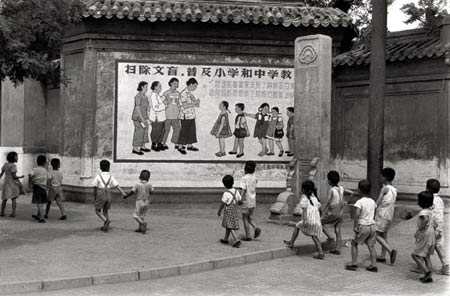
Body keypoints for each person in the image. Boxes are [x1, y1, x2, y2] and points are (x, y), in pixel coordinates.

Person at [284, 180, 324, 259]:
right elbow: (320, 209)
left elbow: (305, 211)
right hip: (316, 221)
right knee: (314, 236)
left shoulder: (304, 198)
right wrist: (320, 218)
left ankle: (291, 243)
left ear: (303, 189)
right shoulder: (315, 198)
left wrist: (305, 220)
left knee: (297, 226)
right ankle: (320, 252)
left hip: (309, 220)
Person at [345, 180, 378, 272]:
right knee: (371, 246)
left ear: (359, 190)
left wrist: (355, 226)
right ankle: (373, 265)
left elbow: (357, 215)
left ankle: (354, 263)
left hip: (363, 226)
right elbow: (374, 212)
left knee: (354, 243)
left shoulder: (360, 202)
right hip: (372, 225)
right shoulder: (372, 201)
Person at [92, 160, 126, 232]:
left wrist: (95, 196)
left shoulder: (98, 176)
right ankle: (106, 226)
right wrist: (123, 193)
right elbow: (117, 186)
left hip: (101, 194)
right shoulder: (111, 177)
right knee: (105, 210)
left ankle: (106, 221)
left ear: (100, 168)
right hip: (109, 194)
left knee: (97, 211)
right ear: (109, 168)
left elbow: (94, 187)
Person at [411, 191, 435, 283]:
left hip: (425, 234)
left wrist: (420, 228)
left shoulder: (423, 212)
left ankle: (426, 272)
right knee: (426, 256)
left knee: (415, 255)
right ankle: (429, 275)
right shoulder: (430, 210)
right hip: (431, 234)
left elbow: (424, 219)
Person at [375, 167, 398, 265]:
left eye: (381, 176)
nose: (380, 177)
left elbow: (378, 201)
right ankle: (382, 255)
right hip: (389, 214)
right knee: (384, 235)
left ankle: (390, 251)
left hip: (382, 214)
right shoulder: (394, 189)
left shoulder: (385, 188)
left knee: (375, 234)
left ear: (385, 177)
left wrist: (372, 208)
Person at [426, 179, 449, 275]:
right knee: (439, 247)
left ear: (427, 188)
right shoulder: (440, 200)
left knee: (425, 247)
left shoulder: (430, 199)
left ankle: (425, 268)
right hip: (440, 226)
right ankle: (446, 266)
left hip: (433, 227)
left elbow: (432, 215)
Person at [321, 170, 345, 255]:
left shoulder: (331, 190)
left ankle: (330, 238)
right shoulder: (341, 188)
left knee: (319, 223)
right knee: (337, 230)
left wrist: (323, 212)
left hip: (333, 212)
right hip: (341, 212)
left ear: (329, 181)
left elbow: (328, 203)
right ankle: (338, 248)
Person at [123, 170, 153, 234]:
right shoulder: (150, 184)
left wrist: (126, 196)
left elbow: (132, 192)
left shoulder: (137, 184)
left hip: (139, 201)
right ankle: (140, 228)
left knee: (135, 215)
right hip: (146, 201)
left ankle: (142, 224)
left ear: (140, 177)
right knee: (142, 216)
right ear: (148, 178)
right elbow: (151, 192)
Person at [217, 175, 242, 248]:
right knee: (229, 225)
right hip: (235, 210)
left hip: (228, 211)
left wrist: (219, 211)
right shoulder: (236, 191)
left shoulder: (226, 193)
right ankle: (225, 239)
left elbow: (223, 203)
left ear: (224, 184)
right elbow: (239, 200)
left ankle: (236, 239)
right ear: (233, 182)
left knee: (229, 226)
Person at [239, 161, 261, 241]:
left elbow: (243, 189)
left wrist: (240, 198)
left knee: (244, 218)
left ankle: (248, 235)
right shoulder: (255, 177)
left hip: (246, 200)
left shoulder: (244, 178)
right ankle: (256, 227)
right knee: (250, 217)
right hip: (253, 200)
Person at [162, 78, 183, 154]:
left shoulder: (178, 93)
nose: (176, 85)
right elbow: (161, 102)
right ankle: (163, 144)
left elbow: (180, 104)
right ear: (170, 83)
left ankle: (176, 143)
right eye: (175, 83)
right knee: (166, 130)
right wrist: (167, 102)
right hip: (167, 115)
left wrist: (178, 104)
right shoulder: (166, 93)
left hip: (176, 115)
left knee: (178, 129)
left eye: (177, 83)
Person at [178, 78, 200, 153]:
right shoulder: (183, 93)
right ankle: (180, 147)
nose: (195, 88)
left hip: (191, 115)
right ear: (190, 84)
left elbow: (197, 105)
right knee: (184, 131)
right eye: (194, 86)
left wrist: (196, 102)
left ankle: (190, 145)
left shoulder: (190, 93)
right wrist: (195, 103)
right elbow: (184, 106)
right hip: (185, 116)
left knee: (191, 131)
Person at [0, 151, 25, 217]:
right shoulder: (13, 166)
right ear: (13, 158)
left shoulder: (5, 165)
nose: (17, 158)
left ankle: (2, 212)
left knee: (4, 199)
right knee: (13, 198)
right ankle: (13, 213)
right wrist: (20, 177)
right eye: (16, 156)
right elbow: (14, 176)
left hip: (6, 184)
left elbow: (1, 174)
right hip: (12, 184)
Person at [131, 81, 151, 155]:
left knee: (145, 131)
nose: (147, 88)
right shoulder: (138, 96)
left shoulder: (145, 96)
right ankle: (135, 148)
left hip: (144, 116)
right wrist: (142, 118)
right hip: (138, 117)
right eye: (146, 87)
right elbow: (137, 108)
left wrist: (147, 118)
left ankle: (143, 146)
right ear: (142, 87)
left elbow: (146, 108)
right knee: (139, 131)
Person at [29, 155, 49, 223]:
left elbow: (30, 175)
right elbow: (48, 178)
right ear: (44, 163)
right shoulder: (45, 170)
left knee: (39, 203)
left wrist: (30, 183)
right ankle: (38, 215)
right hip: (44, 188)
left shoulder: (34, 169)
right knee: (42, 203)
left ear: (37, 162)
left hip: (37, 188)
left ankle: (42, 218)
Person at [149, 81, 166, 152]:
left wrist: (162, 100)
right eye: (159, 86)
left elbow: (159, 103)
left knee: (162, 131)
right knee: (156, 131)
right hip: (156, 118)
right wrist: (164, 105)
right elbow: (156, 107)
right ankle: (154, 145)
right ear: (155, 87)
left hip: (161, 117)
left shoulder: (157, 95)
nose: (161, 88)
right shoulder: (153, 96)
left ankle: (159, 144)